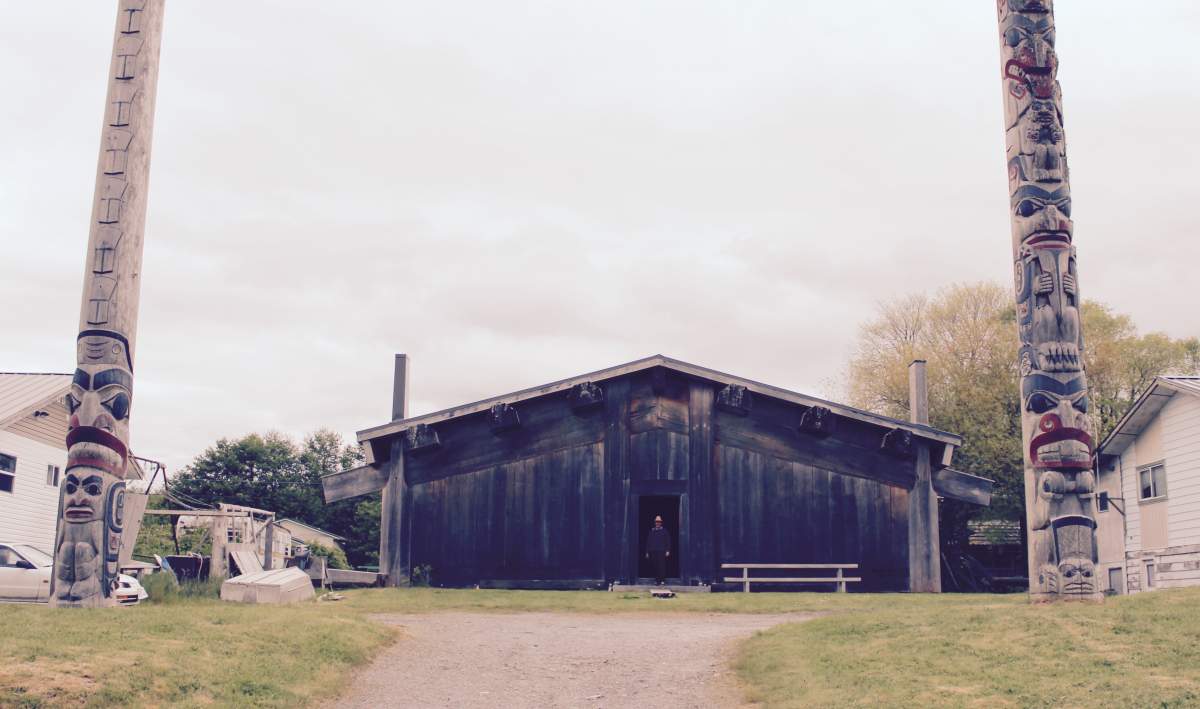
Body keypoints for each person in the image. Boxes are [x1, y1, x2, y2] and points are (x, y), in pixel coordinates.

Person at [644, 515, 671, 586]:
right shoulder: (652, 531)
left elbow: (667, 541)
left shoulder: (664, 531)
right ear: (655, 522)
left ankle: (662, 580)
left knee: (661, 566)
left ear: (661, 522)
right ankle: (657, 580)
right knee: (655, 566)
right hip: (653, 551)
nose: (658, 523)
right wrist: (647, 552)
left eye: (659, 522)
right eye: (656, 522)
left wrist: (668, 550)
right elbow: (648, 542)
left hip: (661, 551)